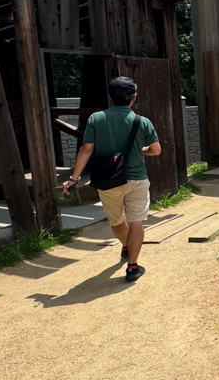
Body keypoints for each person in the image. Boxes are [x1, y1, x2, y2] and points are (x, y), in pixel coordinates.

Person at [64, 77, 161, 282]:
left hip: (108, 180)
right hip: (136, 179)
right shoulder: (142, 121)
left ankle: (125, 246)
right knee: (137, 222)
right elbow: (156, 150)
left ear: (109, 97)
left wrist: (74, 178)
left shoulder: (96, 119)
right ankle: (133, 267)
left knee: (116, 220)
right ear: (133, 98)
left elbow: (86, 149)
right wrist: (141, 149)